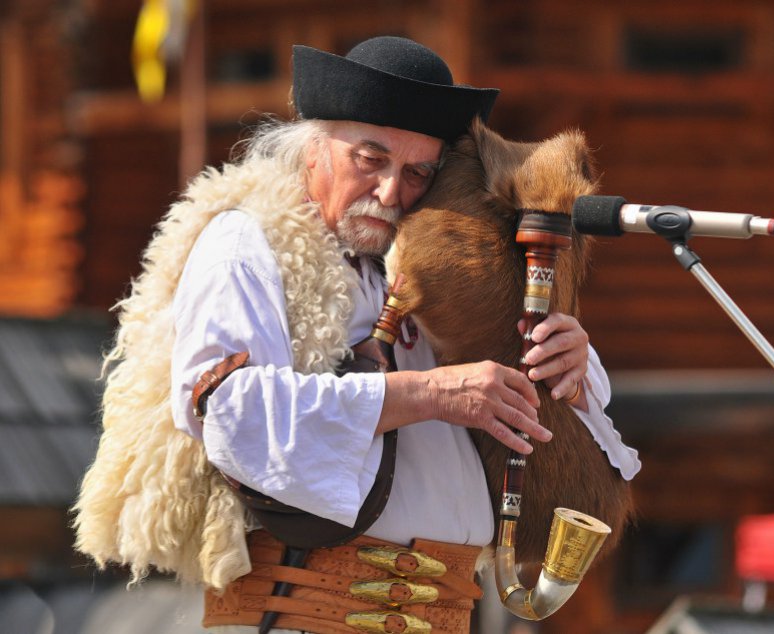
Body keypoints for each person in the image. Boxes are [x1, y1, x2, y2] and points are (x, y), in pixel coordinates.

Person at [73, 36, 640, 634]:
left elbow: (505, 404)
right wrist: (428, 394)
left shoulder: (415, 270)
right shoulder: (248, 243)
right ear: (313, 148)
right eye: (370, 160)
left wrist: (574, 370)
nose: (392, 193)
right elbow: (230, 411)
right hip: (302, 616)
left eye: (418, 172)